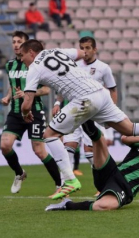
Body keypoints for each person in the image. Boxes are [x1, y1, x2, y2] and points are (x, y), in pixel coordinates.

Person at [19, 39, 139, 200]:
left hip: (83, 98)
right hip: (100, 92)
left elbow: (27, 103)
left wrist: (25, 112)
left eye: (22, 55)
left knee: (49, 134)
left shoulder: (34, 67)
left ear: (32, 53)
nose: (21, 60)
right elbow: (81, 53)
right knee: (129, 128)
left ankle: (69, 180)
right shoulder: (56, 51)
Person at [0, 31, 61, 195]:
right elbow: (13, 85)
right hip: (15, 112)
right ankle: (19, 173)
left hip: (34, 111)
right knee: (5, 145)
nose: (15, 45)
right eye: (13, 41)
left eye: (19, 41)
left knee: (39, 151)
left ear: (27, 45)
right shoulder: (10, 65)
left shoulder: (36, 66)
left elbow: (46, 90)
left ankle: (59, 184)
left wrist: (29, 93)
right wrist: (7, 96)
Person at [51, 37, 117, 176]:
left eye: (87, 48)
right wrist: (58, 103)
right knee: (68, 146)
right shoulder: (73, 65)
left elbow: (112, 90)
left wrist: (111, 113)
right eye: (82, 48)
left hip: (94, 114)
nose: (84, 51)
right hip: (74, 111)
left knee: (90, 153)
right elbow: (65, 86)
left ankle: (104, 183)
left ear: (95, 49)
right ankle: (66, 186)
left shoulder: (103, 68)